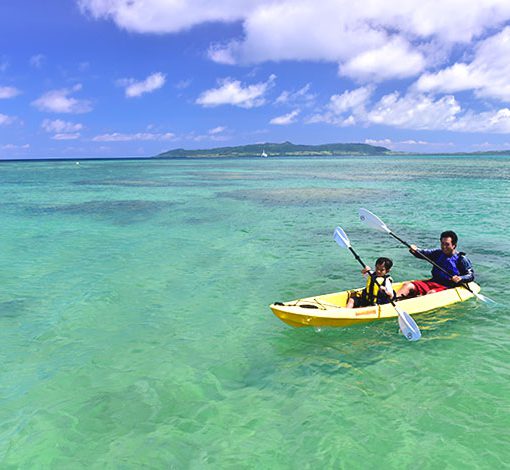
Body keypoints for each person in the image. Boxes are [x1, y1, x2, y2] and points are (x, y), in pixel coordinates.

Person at [397, 230, 474, 298]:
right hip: (433, 282)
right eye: (442, 243)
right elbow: (422, 253)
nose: (444, 247)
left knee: (431, 293)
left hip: (448, 286)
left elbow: (470, 275)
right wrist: (414, 250)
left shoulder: (461, 259)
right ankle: (391, 302)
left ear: (454, 245)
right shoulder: (437, 253)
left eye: (447, 244)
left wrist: (461, 278)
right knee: (407, 285)